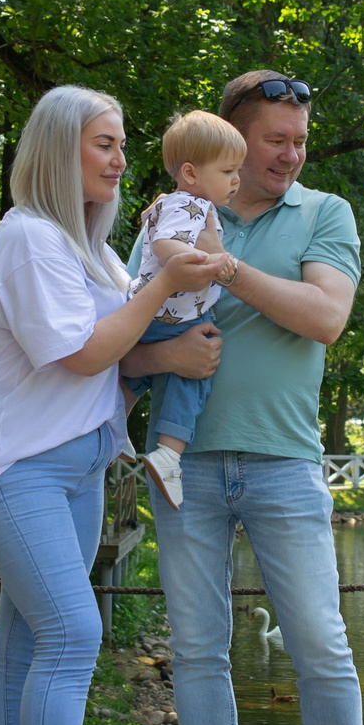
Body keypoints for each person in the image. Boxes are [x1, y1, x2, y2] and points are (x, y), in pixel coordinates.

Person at [130, 69, 364, 725]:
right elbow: (116, 344)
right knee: (200, 648)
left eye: (299, 139)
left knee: (321, 644)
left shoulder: (324, 214)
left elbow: (325, 317)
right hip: (186, 464)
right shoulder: (165, 218)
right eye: (275, 139)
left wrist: (229, 271)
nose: (291, 153)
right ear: (232, 140)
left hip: (284, 465)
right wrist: (167, 354)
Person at [0, 83, 220, 725]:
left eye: (121, 143)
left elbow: (118, 355)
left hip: (76, 464)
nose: (118, 158)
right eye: (102, 142)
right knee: (73, 631)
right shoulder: (29, 237)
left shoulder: (94, 252)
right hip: (18, 465)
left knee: (28, 647)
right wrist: (161, 281)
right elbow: (79, 352)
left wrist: (169, 347)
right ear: (57, 148)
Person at [123, 109, 246, 511]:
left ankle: (110, 427)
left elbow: (155, 229)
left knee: (137, 378)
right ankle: (169, 455)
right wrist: (211, 262)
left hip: (154, 313)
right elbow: (165, 247)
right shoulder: (191, 205)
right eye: (228, 171)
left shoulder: (173, 203)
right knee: (192, 378)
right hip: (178, 315)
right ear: (191, 172)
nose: (236, 180)